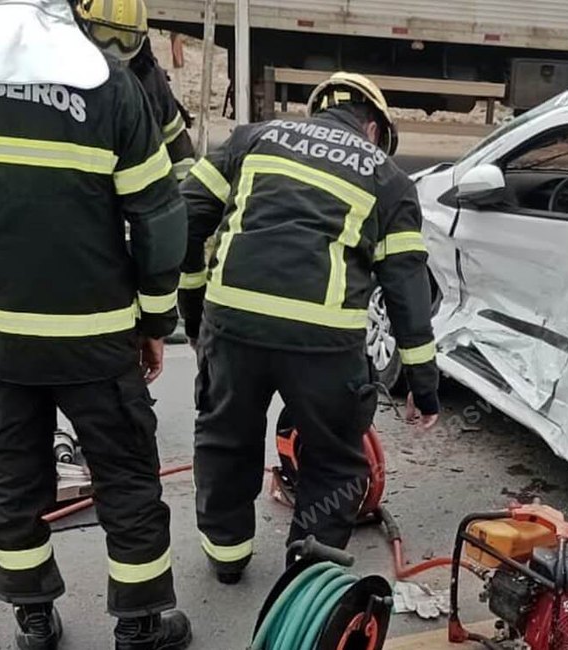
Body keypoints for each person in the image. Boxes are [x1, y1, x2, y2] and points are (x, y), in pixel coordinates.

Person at [0, 1, 191, 648]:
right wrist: (154, 318)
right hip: (95, 336)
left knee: (11, 479)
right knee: (126, 479)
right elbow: (160, 218)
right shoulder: (106, 83)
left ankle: (33, 619)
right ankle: (141, 625)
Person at [179, 72, 441, 582]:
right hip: (323, 342)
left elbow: (185, 218)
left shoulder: (250, 139)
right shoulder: (387, 177)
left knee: (225, 439)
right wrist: (423, 387)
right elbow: (407, 283)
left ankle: (227, 557)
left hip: (234, 323)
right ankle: (306, 576)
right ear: (373, 128)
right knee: (334, 460)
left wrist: (194, 314)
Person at [76, 0, 197, 180]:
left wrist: (184, 199)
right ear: (85, 28)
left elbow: (180, 153)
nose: (114, 47)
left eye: (126, 39)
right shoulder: (64, 76)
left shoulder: (151, 81)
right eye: (104, 34)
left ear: (140, 39)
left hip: (139, 199)